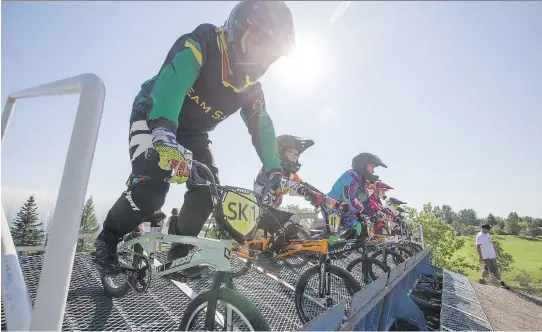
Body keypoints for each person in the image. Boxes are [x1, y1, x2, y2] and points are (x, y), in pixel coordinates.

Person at [93, 1, 296, 277]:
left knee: (208, 189)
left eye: (270, 52)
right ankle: (108, 238)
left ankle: (179, 254)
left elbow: (263, 126)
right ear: (239, 31)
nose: (262, 56)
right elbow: (172, 84)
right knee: (150, 190)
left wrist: (274, 169)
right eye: (260, 42)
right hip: (154, 113)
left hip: (193, 134)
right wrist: (163, 132)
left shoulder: (251, 87)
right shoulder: (203, 42)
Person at [253, 135, 322, 271]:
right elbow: (281, 183)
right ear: (280, 152)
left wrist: (327, 200)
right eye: (291, 152)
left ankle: (289, 254)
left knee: (293, 236)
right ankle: (264, 256)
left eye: (296, 153)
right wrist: (303, 191)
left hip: (269, 212)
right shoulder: (271, 168)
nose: (295, 156)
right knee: (293, 219)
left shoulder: (291, 175)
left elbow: (306, 186)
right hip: (257, 210)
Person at [327, 153, 387, 239]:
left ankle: (350, 251)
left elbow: (364, 200)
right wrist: (359, 213)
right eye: (373, 167)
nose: (373, 171)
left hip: (343, 209)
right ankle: (308, 249)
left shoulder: (361, 181)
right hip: (331, 207)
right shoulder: (352, 175)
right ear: (364, 164)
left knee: (360, 228)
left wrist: (372, 215)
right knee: (333, 239)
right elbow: (348, 197)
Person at [476, 224, 509, 289]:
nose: (489, 230)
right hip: (485, 256)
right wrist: (480, 256)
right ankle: (501, 283)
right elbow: (478, 247)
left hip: (492, 255)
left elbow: (491, 243)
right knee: (494, 269)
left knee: (486, 268)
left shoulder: (487, 234)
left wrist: (496, 251)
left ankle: (481, 280)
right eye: (488, 229)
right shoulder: (480, 236)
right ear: (483, 229)